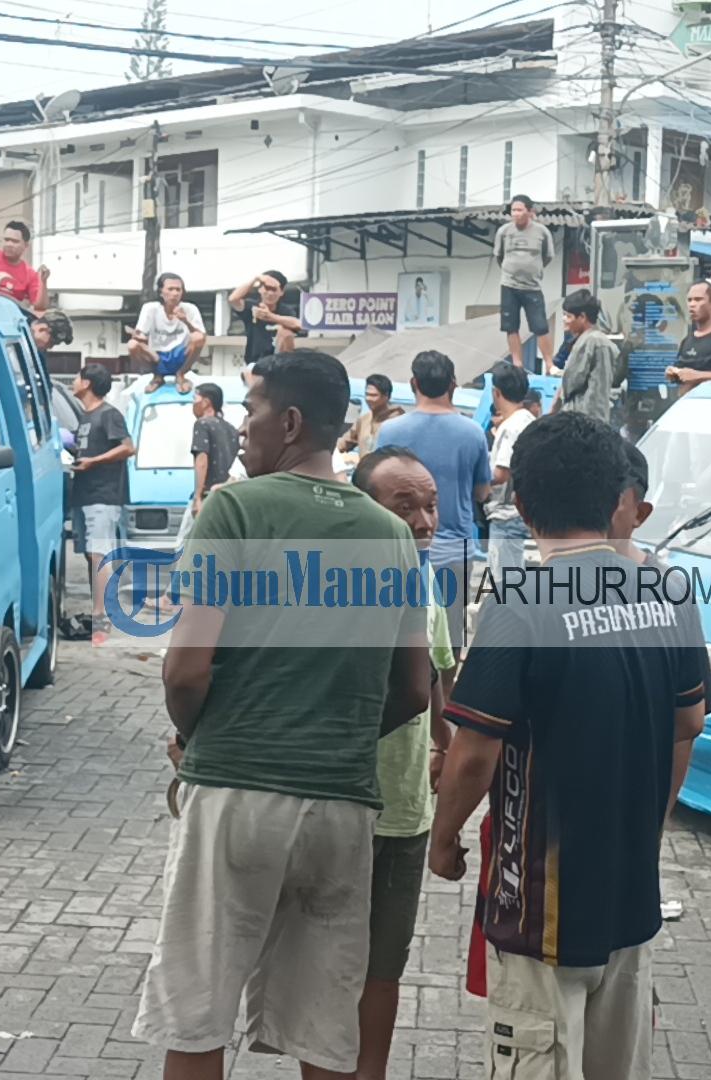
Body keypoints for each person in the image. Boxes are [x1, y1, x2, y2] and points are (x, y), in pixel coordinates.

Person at [134, 350, 430, 1080]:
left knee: (197, 1013)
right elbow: (416, 692)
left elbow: (186, 667)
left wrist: (203, 736)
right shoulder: (392, 537)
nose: (244, 425)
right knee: (324, 1030)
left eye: (253, 409)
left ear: (290, 422)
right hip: (344, 809)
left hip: (237, 792)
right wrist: (339, 734)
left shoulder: (234, 508)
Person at [430, 412, 709, 1080]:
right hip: (630, 897)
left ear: (520, 504)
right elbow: (687, 724)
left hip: (541, 911)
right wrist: (651, 826)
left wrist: (443, 841)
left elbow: (473, 753)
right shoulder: (668, 591)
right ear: (619, 499)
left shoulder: (522, 601)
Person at [350, 447, 459, 1080]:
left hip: (405, 810)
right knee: (332, 958)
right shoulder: (330, 586)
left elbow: (437, 674)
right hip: (341, 802)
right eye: (405, 506)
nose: (424, 522)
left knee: (384, 964)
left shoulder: (423, 578)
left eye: (431, 505)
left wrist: (443, 743)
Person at [376, 351, 491, 667]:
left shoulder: (389, 431)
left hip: (401, 550)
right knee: (450, 644)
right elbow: (482, 491)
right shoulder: (473, 433)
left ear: (413, 383)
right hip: (454, 551)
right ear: (453, 385)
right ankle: (443, 709)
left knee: (401, 640)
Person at [70, 363, 134, 647]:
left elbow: (128, 447)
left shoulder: (109, 414)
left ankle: (102, 617)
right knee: (91, 555)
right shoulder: (85, 417)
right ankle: (99, 611)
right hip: (84, 494)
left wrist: (93, 462)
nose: (74, 381)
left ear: (86, 383)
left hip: (103, 495)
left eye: (77, 376)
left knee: (100, 555)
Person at [494, 194, 556, 369]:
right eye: (513, 210)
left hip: (532, 286)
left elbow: (548, 256)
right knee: (510, 326)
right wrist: (512, 269)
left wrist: (533, 269)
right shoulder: (504, 232)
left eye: (520, 210)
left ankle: (549, 364)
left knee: (540, 326)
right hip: (509, 285)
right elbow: (499, 256)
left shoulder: (542, 232)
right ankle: (517, 363)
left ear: (530, 212)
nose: (516, 213)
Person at [485, 364, 533, 572]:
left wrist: (475, 474)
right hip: (522, 511)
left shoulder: (510, 426)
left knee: (504, 584)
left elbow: (501, 474)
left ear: (496, 392)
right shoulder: (529, 420)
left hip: (506, 515)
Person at [130, 272, 207, 396]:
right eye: (170, 289)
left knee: (197, 337)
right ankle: (157, 376)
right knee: (132, 345)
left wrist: (185, 321)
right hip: (157, 356)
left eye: (178, 289)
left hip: (181, 355)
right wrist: (142, 341)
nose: (175, 293)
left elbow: (202, 337)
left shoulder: (190, 308)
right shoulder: (151, 308)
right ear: (161, 292)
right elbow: (140, 335)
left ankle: (181, 374)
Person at [552, 289, 614, 426]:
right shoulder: (581, 340)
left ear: (582, 317)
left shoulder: (595, 342)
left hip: (586, 423)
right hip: (574, 420)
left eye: (568, 316)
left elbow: (595, 392)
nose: (564, 320)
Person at [228, 270, 303, 365]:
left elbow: (299, 325)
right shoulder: (252, 306)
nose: (270, 293)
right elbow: (233, 299)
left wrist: (271, 317)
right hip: (254, 362)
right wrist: (256, 279)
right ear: (260, 289)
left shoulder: (286, 311)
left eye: (274, 289)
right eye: (267, 288)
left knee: (286, 332)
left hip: (279, 363)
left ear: (281, 292)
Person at [188, 383, 238, 516]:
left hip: (208, 496)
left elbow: (202, 460)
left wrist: (197, 497)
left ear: (206, 402)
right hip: (227, 495)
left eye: (195, 398)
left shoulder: (202, 424)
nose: (193, 404)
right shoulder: (232, 429)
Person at [340, 373, 404, 456]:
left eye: (373, 395)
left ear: (386, 396)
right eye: (367, 394)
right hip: (364, 468)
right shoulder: (363, 420)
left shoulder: (399, 422)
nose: (368, 399)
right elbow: (345, 442)